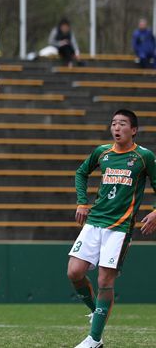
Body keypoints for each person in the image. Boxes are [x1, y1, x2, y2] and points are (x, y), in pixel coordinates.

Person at [67, 110, 156, 348]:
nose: (117, 128)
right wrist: (82, 202)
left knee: (105, 280)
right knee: (74, 272)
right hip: (95, 221)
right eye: (114, 123)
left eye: (122, 124)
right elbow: (81, 173)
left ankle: (94, 339)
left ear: (133, 130)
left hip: (119, 228)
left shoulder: (144, 156)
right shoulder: (102, 152)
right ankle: (97, 312)